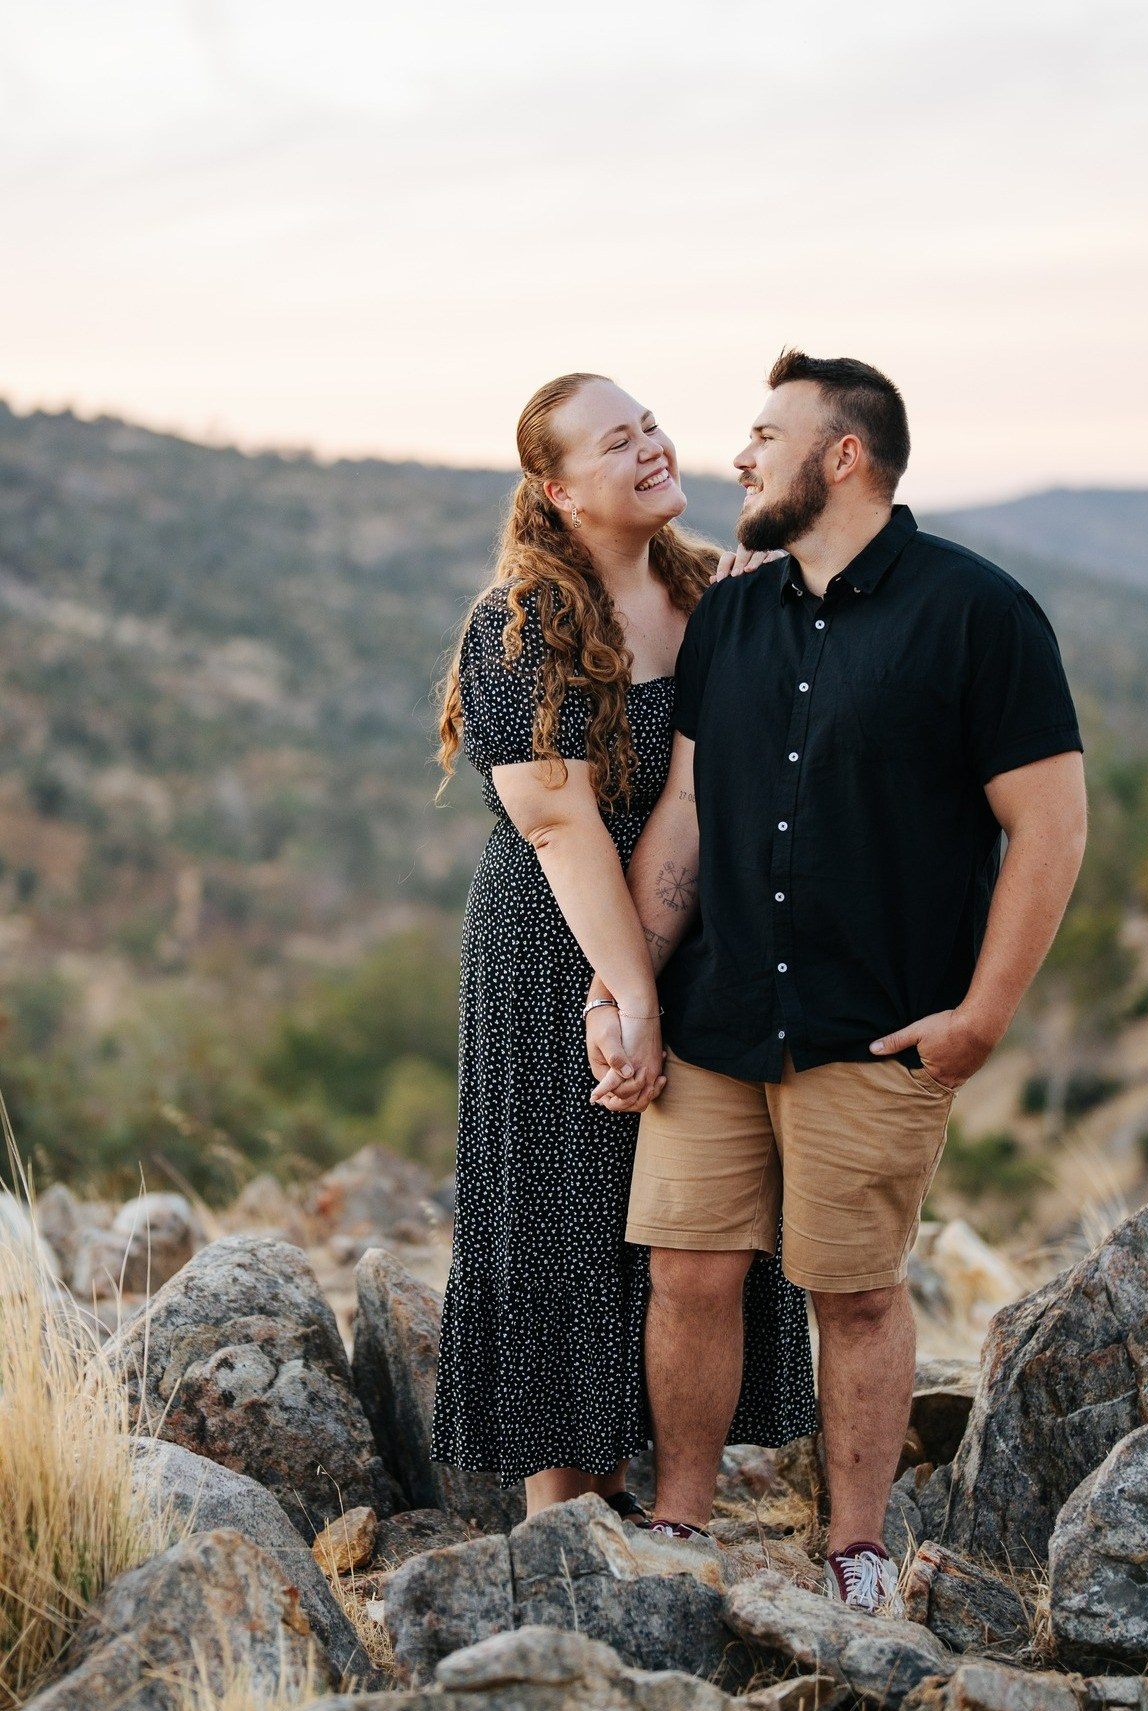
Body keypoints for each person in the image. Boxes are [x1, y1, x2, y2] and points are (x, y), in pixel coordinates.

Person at [586, 350, 1088, 1606]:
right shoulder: (737, 615)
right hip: (716, 1020)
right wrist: (630, 984)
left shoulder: (979, 614)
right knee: (687, 1273)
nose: (739, 457)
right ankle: (684, 1523)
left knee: (854, 1294)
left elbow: (1051, 826)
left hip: (875, 1030)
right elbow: (690, 812)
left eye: (765, 434)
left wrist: (981, 1018)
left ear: (842, 455)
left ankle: (856, 1548)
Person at [429, 372, 817, 1522]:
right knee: (562, 1212)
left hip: (692, 947)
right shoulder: (520, 621)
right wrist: (625, 992)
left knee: (678, 1226)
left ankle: (661, 1497)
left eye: (649, 425)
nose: (651, 447)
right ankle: (566, 1526)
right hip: (551, 953)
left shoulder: (710, 593)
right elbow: (558, 824)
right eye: (617, 441)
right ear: (556, 492)